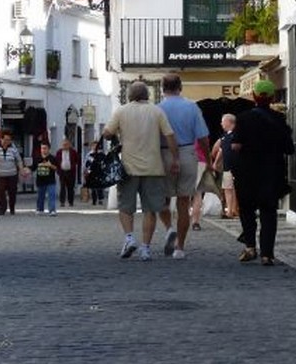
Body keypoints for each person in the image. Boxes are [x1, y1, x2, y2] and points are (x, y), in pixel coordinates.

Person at [102, 81, 179, 261]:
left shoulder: (121, 111)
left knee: (125, 207)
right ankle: (145, 249)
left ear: (129, 95)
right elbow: (169, 135)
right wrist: (175, 158)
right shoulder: (156, 111)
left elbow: (106, 133)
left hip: (128, 167)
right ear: (147, 95)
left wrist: (117, 134)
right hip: (153, 167)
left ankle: (129, 238)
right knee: (150, 210)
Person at [231, 80, 295, 266]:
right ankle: (267, 254)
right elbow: (289, 149)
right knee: (269, 213)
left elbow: (235, 146)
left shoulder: (243, 118)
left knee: (248, 211)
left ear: (254, 96)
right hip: (271, 174)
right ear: (272, 98)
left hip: (248, 174)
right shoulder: (279, 119)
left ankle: (250, 247)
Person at [156, 72, 211, 260]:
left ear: (163, 89)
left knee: (161, 200)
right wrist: (209, 160)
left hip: (162, 155)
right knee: (183, 202)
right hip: (187, 153)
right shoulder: (192, 107)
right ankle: (180, 247)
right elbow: (203, 137)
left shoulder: (157, 109)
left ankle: (169, 228)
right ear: (180, 87)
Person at [0, 129, 24, 215]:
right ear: (1, 139)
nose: (7, 142)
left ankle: (12, 208)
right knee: (0, 192)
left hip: (12, 174)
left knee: (12, 192)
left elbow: (19, 160)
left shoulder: (13, 148)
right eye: (6, 140)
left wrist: (21, 169)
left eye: (9, 140)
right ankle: (2, 208)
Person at [212, 114, 239, 220]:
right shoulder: (224, 136)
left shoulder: (237, 134)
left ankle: (234, 210)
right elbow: (221, 151)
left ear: (229, 122)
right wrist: (216, 163)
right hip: (227, 167)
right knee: (227, 188)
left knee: (235, 189)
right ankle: (230, 211)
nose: (221, 124)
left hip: (236, 166)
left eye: (223, 121)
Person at [35, 142, 58, 216]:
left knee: (51, 195)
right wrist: (26, 170)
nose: (43, 150)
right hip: (40, 180)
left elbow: (56, 168)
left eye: (45, 148)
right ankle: (40, 209)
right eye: (42, 148)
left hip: (50, 180)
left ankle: (52, 210)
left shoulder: (52, 158)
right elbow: (33, 167)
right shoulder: (37, 158)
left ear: (49, 149)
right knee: (40, 196)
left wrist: (50, 165)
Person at [54, 138, 79, 207]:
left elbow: (77, 160)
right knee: (62, 187)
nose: (65, 146)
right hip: (62, 172)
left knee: (70, 187)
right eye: (63, 145)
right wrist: (58, 171)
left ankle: (71, 202)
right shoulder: (59, 152)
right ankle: (62, 202)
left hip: (71, 172)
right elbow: (56, 162)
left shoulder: (73, 152)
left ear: (69, 145)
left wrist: (73, 166)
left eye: (66, 144)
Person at [84, 140, 105, 205]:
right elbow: (86, 163)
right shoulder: (89, 154)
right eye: (93, 146)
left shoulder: (101, 154)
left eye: (96, 145)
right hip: (92, 172)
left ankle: (100, 199)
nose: (94, 147)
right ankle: (94, 200)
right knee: (92, 187)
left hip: (99, 172)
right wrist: (86, 170)